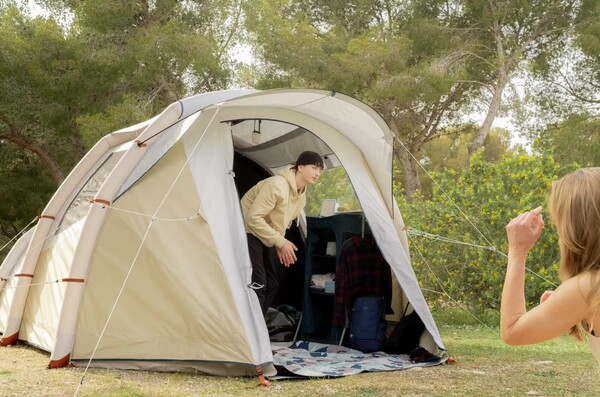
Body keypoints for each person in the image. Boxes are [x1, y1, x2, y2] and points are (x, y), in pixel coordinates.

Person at [501, 167, 600, 364]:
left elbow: (512, 331)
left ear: (576, 227)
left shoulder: (590, 287)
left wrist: (517, 252)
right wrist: (572, 305)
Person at [241, 151, 324, 315]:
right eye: (314, 167)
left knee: (272, 284)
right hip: (247, 231)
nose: (317, 173)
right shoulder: (277, 185)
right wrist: (280, 242)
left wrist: (279, 243)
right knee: (258, 283)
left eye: (320, 170)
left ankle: (258, 326)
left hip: (265, 234)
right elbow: (253, 218)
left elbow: (281, 223)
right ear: (300, 167)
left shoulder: (302, 195)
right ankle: (248, 331)